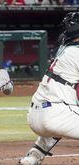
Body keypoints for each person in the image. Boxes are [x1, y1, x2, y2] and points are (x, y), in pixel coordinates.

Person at [18, 12, 79, 165]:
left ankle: (32, 157)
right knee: (65, 117)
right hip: (56, 112)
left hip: (35, 116)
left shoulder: (64, 49)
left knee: (64, 120)